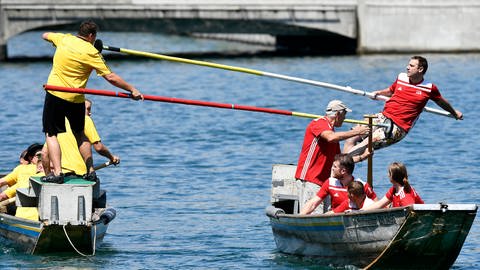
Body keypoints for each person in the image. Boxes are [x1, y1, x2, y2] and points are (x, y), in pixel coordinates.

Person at [41, 20, 143, 183]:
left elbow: (45, 35)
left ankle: (58, 173)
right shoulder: (92, 53)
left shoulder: (64, 39)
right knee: (80, 135)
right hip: (76, 98)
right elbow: (110, 77)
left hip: (55, 94)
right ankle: (90, 171)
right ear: (91, 36)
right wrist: (132, 89)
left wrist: (57, 43)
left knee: (51, 134)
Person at [344, 56, 463, 156]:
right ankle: (341, 170)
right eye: (408, 64)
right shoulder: (401, 77)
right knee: (351, 137)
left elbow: (441, 102)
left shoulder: (429, 88)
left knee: (363, 145)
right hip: (382, 116)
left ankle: (339, 164)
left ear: (420, 69)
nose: (407, 67)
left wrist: (454, 112)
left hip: (398, 127)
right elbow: (391, 90)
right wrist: (379, 92)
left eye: (411, 66)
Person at [295, 100, 371, 213]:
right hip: (311, 179)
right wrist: (356, 132)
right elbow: (330, 137)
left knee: (326, 215)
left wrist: (362, 157)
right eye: (344, 114)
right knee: (314, 216)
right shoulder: (319, 123)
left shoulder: (334, 133)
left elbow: (341, 162)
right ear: (338, 114)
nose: (345, 118)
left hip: (325, 183)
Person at [299, 154, 377, 215]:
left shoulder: (363, 186)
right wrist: (300, 217)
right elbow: (313, 203)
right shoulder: (330, 183)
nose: (332, 168)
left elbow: (378, 205)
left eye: (335, 167)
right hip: (335, 219)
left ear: (343, 171)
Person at [83, 98, 120, 173]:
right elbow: (99, 147)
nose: (90, 113)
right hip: (80, 171)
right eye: (88, 109)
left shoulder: (61, 120)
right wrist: (112, 157)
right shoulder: (86, 120)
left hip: (59, 171)